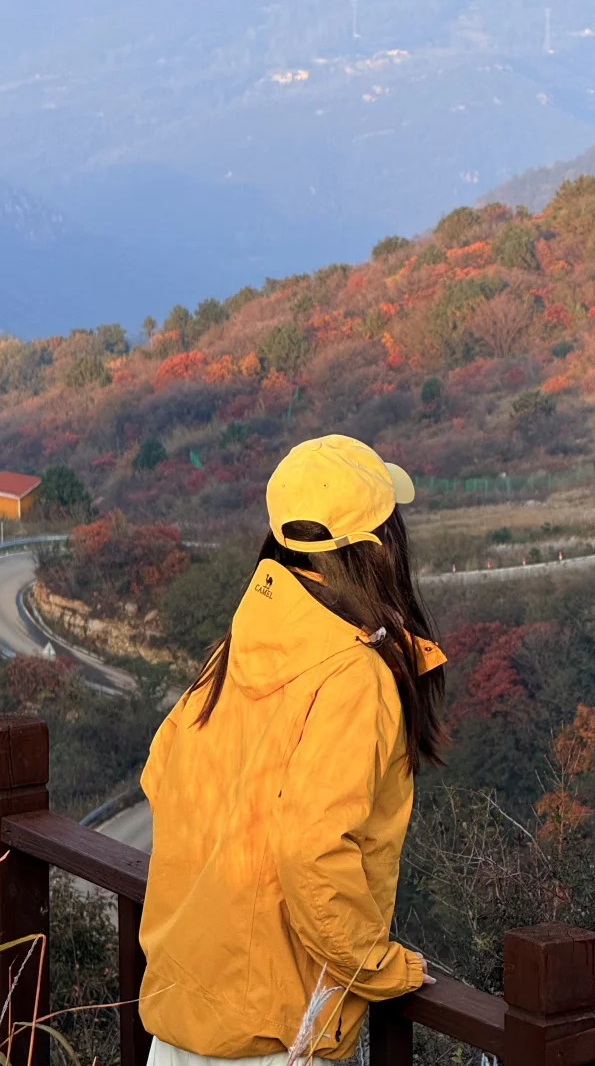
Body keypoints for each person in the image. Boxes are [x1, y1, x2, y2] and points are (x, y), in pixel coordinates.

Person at [138, 434, 446, 1065]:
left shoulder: (241, 643)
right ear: (377, 546)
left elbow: (162, 777)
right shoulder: (354, 675)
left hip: (184, 1011)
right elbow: (313, 850)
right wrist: (378, 966)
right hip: (275, 1031)